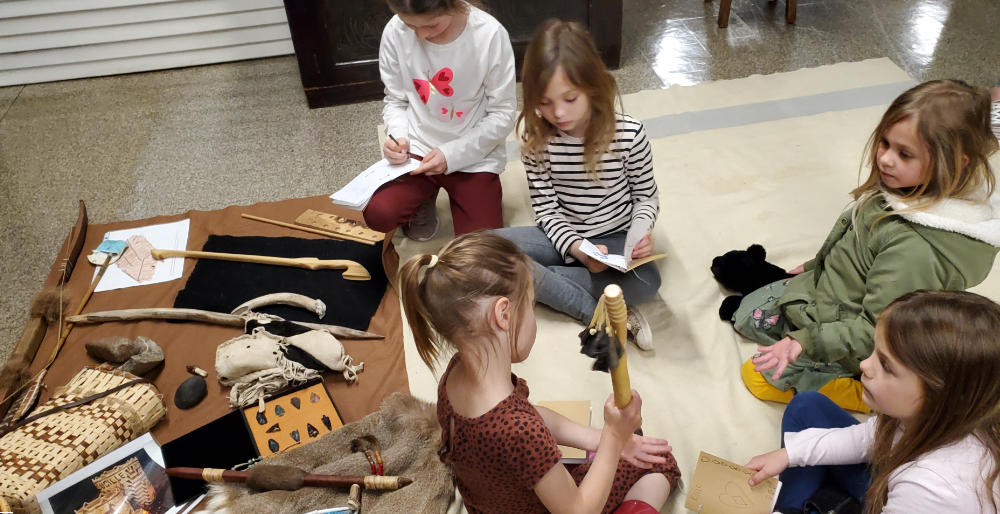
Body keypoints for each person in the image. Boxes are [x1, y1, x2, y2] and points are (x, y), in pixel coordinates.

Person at [723, 79, 1000, 412]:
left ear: (954, 163)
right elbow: (857, 244)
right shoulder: (907, 188)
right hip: (828, 298)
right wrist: (815, 266)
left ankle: (861, 393)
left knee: (756, 376)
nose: (884, 159)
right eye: (884, 143)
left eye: (904, 154)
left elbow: (878, 328)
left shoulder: (915, 250)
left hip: (858, 340)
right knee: (746, 315)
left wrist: (806, 342)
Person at [399, 232, 679, 514]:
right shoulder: (519, 431)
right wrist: (614, 440)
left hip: (493, 502)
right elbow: (577, 510)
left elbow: (532, 417)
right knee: (660, 463)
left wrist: (602, 437)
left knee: (633, 441)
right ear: (504, 315)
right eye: (531, 306)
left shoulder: (457, 372)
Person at [746, 290, 1000, 514]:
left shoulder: (934, 488)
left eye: (886, 365)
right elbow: (872, 436)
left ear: (942, 395)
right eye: (874, 351)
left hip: (904, 496)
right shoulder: (937, 414)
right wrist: (790, 454)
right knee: (807, 405)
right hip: (893, 481)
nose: (864, 366)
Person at [492, 20, 661, 349]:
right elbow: (546, 209)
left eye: (570, 98)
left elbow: (646, 197)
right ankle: (607, 310)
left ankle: (528, 280)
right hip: (561, 237)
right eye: (544, 102)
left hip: (615, 238)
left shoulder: (629, 134)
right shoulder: (537, 140)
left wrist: (640, 231)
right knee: (486, 248)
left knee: (647, 283)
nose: (558, 113)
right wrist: (579, 250)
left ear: (593, 85)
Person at [365, 0, 516, 240]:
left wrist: (452, 154)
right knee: (378, 214)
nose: (421, 35)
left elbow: (503, 113)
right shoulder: (395, 31)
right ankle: (424, 196)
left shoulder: (489, 34)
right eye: (410, 25)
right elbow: (395, 100)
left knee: (480, 250)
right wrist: (397, 137)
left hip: (473, 155)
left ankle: (440, 191)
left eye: (433, 25)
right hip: (417, 152)